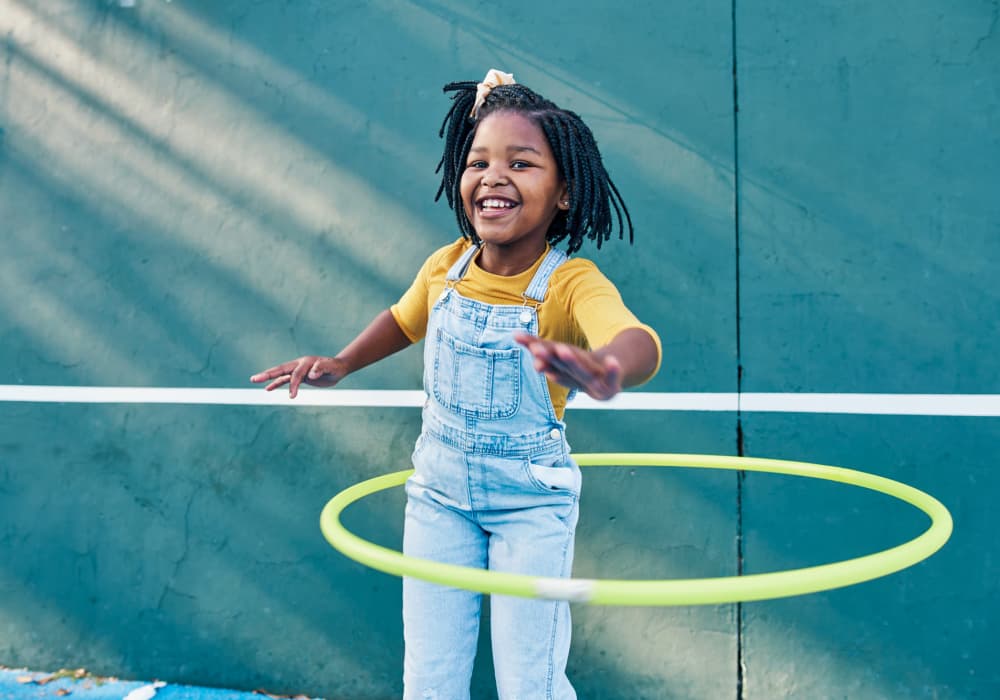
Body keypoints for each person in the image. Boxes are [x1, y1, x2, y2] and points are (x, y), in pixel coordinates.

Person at [251, 69, 661, 700]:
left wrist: (609, 370)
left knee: (533, 684)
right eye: (478, 161)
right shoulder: (445, 266)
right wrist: (342, 362)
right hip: (438, 496)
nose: (493, 177)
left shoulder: (571, 282)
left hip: (531, 504)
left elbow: (637, 340)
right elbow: (403, 319)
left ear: (564, 194)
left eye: (521, 164)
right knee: (431, 680)